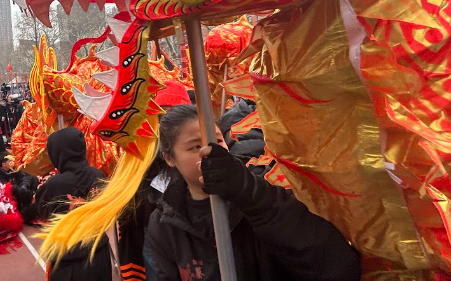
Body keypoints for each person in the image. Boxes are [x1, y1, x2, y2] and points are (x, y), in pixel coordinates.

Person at [148, 104, 361, 281]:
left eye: (218, 141)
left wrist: (250, 193)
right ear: (169, 158)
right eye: (195, 147)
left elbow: (335, 265)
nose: (210, 151)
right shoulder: (165, 224)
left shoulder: (263, 188)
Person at [26, 127, 105, 223]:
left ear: (56, 153)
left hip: (66, 236)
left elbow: (38, 209)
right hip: (98, 235)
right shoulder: (98, 174)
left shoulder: (54, 184)